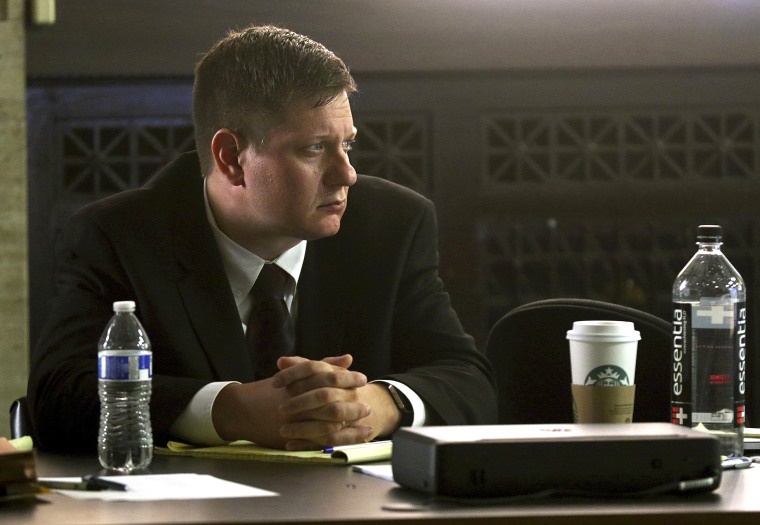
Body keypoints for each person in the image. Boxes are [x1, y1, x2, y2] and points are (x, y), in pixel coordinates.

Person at [27, 25, 497, 452]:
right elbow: (57, 398)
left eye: (348, 144)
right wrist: (231, 410)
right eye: (314, 148)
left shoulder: (392, 224)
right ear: (231, 157)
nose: (347, 174)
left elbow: (470, 381)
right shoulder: (118, 236)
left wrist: (378, 403)